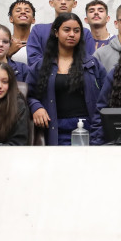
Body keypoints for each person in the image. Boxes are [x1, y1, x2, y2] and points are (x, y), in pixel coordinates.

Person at [28, 13, 106, 146]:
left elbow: (107, 95)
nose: (72, 34)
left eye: (76, 31)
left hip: (88, 129)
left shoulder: (92, 64)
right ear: (56, 32)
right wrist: (36, 107)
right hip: (54, 129)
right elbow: (27, 94)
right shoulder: (41, 66)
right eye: (66, 30)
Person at [26, 0, 95, 66]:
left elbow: (90, 63)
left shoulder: (85, 33)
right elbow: (33, 61)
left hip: (77, 77)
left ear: (74, 3)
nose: (63, 2)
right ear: (51, 3)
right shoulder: (38, 30)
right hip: (45, 77)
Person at [7, 0, 36, 64]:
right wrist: (8, 53)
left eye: (27, 11)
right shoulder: (4, 42)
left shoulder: (38, 43)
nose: (23, 12)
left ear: (33, 20)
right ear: (11, 19)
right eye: (18, 11)